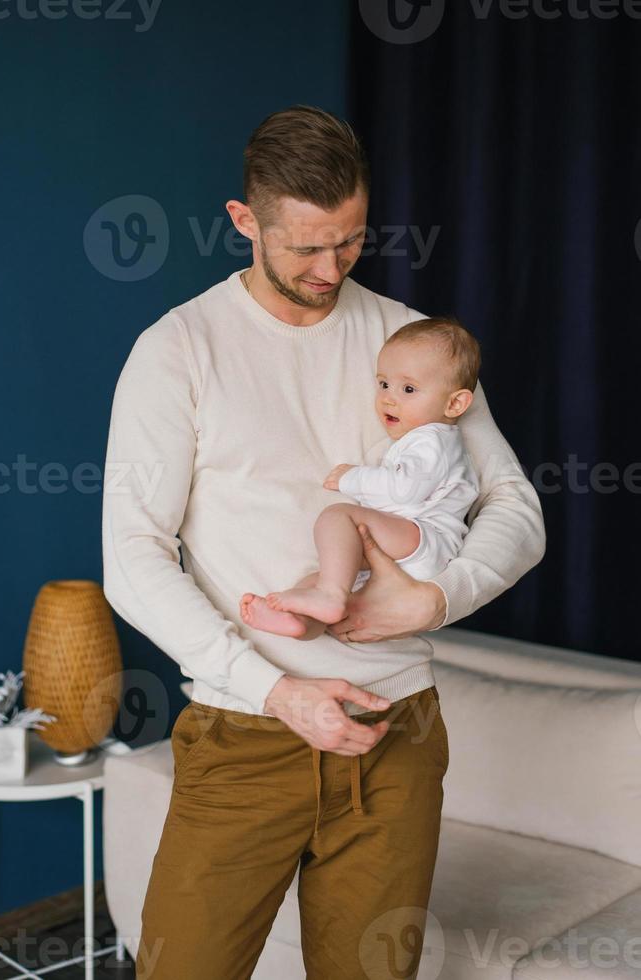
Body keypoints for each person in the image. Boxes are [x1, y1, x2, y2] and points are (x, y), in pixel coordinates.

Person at [101, 105, 545, 980]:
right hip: (245, 731)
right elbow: (133, 558)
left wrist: (435, 598)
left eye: (349, 241)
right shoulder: (179, 351)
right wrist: (279, 694)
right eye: (305, 246)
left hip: (397, 734)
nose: (330, 268)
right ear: (244, 222)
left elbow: (517, 509)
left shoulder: (410, 339)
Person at [240, 316, 480, 641]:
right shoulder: (426, 438)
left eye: (408, 389)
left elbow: (404, 492)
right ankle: (300, 623)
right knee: (324, 577)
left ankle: (328, 596)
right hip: (408, 546)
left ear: (455, 403)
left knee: (339, 517)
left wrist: (353, 478)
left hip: (425, 538)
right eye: (383, 384)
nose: (389, 398)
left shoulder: (432, 440)